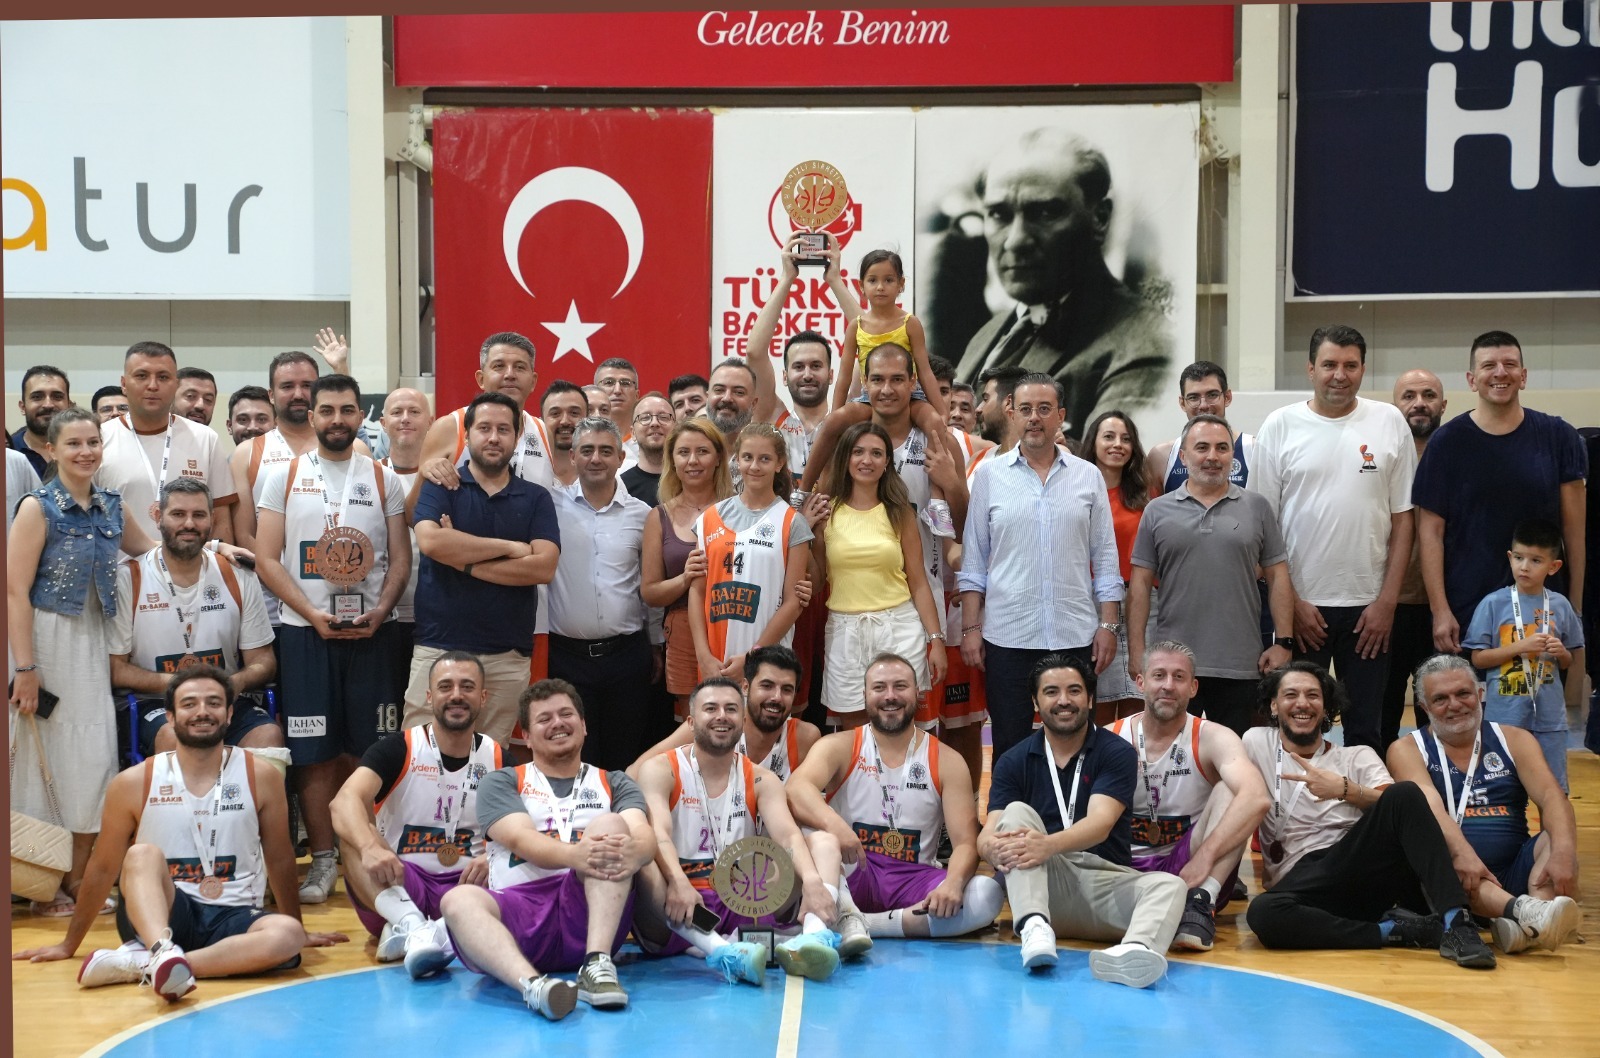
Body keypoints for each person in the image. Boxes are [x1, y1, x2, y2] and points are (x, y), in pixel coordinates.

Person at [12, 666, 344, 998]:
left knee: (287, 935)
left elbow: (280, 856)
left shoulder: (261, 775)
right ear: (170, 716)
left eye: (213, 703)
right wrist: (69, 944)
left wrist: (300, 928)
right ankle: (161, 949)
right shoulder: (133, 782)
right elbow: (102, 868)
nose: (202, 711)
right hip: (162, 913)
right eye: (189, 704)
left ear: (229, 714)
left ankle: (149, 964)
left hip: (234, 915)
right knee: (141, 854)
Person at [254, 374, 411, 905]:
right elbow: (267, 559)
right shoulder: (283, 476)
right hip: (306, 634)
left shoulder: (384, 478)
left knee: (369, 747)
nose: (337, 419)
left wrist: (382, 610)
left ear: (360, 416)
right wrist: (309, 613)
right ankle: (323, 859)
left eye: (347, 410)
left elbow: (400, 558)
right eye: (328, 410)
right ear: (312, 414)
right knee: (314, 751)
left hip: (375, 633)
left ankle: (360, 852)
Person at [1242, 662, 1496, 968]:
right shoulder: (1256, 742)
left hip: (1351, 864)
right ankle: (1396, 931)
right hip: (1300, 885)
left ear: (1326, 707)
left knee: (1405, 792)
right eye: (1291, 694)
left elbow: (1402, 807)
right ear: (1274, 705)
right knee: (1263, 914)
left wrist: (1345, 789)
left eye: (1313, 695)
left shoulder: (1356, 755)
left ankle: (1458, 924)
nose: (1302, 703)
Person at [8, 406, 158, 914]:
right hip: (47, 643)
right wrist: (25, 669)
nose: (86, 451)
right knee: (43, 762)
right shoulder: (36, 508)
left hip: (95, 642)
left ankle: (76, 880)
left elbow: (152, 552)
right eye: (73, 443)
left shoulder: (112, 506)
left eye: (93, 442)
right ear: (51, 449)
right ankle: (39, 884)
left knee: (92, 760)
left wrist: (217, 548)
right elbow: (14, 591)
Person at [442, 679, 654, 1019]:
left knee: (612, 826)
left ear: (583, 725)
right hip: (520, 911)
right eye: (544, 719)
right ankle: (534, 987)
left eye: (566, 714)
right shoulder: (502, 781)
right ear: (526, 736)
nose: (557, 723)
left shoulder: (615, 781)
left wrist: (637, 852)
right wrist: (577, 855)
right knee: (457, 900)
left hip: (587, 910)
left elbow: (644, 836)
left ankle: (596, 965)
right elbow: (520, 839)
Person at [1250, 325, 1416, 752]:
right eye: (1329, 365)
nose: (1339, 375)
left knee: (1367, 730)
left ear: (1363, 369)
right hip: (1302, 610)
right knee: (1298, 729)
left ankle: (1363, 799)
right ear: (1310, 369)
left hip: (1369, 611)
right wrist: (1292, 603)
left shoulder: (1389, 421)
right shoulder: (1280, 425)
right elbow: (1262, 527)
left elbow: (1404, 521)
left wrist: (1387, 603)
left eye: (1350, 365)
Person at [979, 653, 1186, 987]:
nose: (1064, 700)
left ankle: (1134, 952)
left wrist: (1046, 845)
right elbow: (989, 831)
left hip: (1104, 883)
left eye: (1074, 691)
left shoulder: (1115, 751)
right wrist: (990, 848)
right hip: (1043, 883)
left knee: (1170, 886)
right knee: (1016, 812)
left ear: (1089, 699)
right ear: (1035, 702)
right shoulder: (1014, 760)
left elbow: (1100, 824)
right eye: (1051, 692)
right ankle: (1034, 926)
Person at [953, 128, 1172, 434]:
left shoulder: (1142, 348)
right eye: (999, 214)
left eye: (1045, 212)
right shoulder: (989, 334)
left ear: (1100, 218)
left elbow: (1111, 457)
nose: (1015, 241)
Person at [787, 654, 1002, 955]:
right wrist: (835, 825)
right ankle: (855, 915)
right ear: (865, 695)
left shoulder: (948, 760)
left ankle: (861, 924)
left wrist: (953, 883)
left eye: (900, 686)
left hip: (914, 878)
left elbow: (966, 842)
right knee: (812, 837)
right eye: (879, 687)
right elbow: (796, 789)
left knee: (987, 894)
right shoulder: (840, 745)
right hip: (852, 870)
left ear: (918, 693)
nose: (890, 696)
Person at [958, 374, 1122, 762]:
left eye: (1044, 409)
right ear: (1012, 413)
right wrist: (970, 629)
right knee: (1010, 746)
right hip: (1007, 637)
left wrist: (1108, 625)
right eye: (1026, 409)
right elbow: (974, 561)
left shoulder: (1088, 475)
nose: (1035, 417)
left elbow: (1105, 558)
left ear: (1060, 416)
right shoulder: (989, 477)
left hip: (1074, 634)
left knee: (1076, 744)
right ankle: (1011, 805)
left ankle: (1075, 805)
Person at [632, 677, 837, 985]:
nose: (722, 716)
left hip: (741, 900)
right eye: (710, 708)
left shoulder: (762, 779)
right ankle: (723, 952)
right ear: (691, 721)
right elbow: (658, 832)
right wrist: (677, 881)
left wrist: (811, 881)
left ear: (742, 721)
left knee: (823, 843)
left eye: (730, 709)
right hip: (678, 904)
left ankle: (813, 939)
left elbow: (788, 836)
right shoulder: (661, 769)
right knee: (642, 854)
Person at [1385, 654, 1581, 954]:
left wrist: (1565, 853)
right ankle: (1529, 916)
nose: (1454, 705)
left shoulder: (1514, 739)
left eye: (1463, 693)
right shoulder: (1407, 749)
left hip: (1515, 871)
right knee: (1443, 850)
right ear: (1424, 707)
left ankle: (1530, 920)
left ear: (1479, 694)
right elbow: (1431, 809)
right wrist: (1462, 853)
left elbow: (1552, 797)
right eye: (1440, 699)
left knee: (1557, 838)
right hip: (1451, 877)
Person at [331, 651, 503, 978]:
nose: (456, 695)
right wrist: (369, 847)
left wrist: (496, 856)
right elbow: (343, 801)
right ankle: (412, 923)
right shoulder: (398, 748)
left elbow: (532, 825)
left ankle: (415, 932)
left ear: (483, 697)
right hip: (399, 884)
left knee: (513, 857)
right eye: (445, 687)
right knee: (352, 835)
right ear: (429, 696)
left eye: (467, 687)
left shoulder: (498, 758)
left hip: (469, 887)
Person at [1413, 330, 1587, 655]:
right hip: (1467, 610)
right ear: (1471, 380)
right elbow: (1430, 533)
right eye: (1488, 365)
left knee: (1540, 691)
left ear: (1523, 376)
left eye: (1509, 364)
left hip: (1543, 613)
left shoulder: (1558, 437)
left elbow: (1575, 533)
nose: (1500, 372)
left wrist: (1574, 608)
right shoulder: (1446, 443)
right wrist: (1440, 610)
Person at [407, 391, 560, 746]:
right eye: (484, 428)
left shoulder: (536, 497)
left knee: (489, 761)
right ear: (468, 434)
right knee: (420, 755)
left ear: (517, 437)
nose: (493, 437)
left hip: (507, 654)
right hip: (438, 647)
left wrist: (461, 557)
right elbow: (431, 542)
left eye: (503, 430)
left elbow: (542, 567)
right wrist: (510, 548)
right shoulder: (442, 485)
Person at [1128, 415, 1294, 734]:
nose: (1212, 456)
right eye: (1202, 447)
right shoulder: (1156, 511)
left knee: (1232, 755)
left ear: (1232, 455)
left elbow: (1278, 576)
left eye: (1222, 448)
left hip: (1240, 664)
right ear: (1183, 456)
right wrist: (1137, 651)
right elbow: (1140, 585)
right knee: (1172, 753)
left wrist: (1283, 642)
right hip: (1173, 665)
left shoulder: (1257, 508)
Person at [1106, 642, 1271, 952]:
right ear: (1140, 682)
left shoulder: (1213, 736)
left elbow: (1257, 798)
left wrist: (1206, 855)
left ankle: (1201, 903)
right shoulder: (1110, 737)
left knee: (1233, 791)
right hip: (1123, 872)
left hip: (1192, 870)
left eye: (1179, 677)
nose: (1168, 685)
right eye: (1159, 675)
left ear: (1193, 688)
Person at [110, 478, 280, 757]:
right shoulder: (128, 578)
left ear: (212, 518)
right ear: (158, 517)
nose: (189, 523)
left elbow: (263, 661)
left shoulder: (238, 574)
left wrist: (235, 683)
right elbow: (116, 670)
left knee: (268, 736)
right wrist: (182, 685)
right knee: (175, 736)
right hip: (157, 702)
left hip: (222, 698)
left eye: (198, 515)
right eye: (178, 514)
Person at [795, 249, 954, 515]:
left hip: (911, 396)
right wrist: (836, 412)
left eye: (888, 280)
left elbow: (925, 371)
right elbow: (844, 374)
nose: (880, 287)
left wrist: (941, 410)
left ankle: (938, 503)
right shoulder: (856, 326)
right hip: (869, 398)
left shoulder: (910, 323)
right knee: (832, 423)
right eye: (873, 280)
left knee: (936, 425)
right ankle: (803, 491)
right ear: (861, 285)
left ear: (901, 284)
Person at [811, 422, 948, 725]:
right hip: (845, 632)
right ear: (846, 458)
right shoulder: (825, 512)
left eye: (876, 453)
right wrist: (805, 533)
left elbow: (918, 583)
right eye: (858, 452)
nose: (866, 460)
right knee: (855, 733)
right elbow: (817, 581)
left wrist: (936, 640)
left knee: (900, 727)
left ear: (887, 462)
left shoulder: (900, 511)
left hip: (899, 627)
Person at [546, 417, 653, 771]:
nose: (596, 458)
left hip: (627, 657)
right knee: (574, 757)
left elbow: (649, 584)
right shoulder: (549, 507)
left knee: (627, 757)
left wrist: (655, 645)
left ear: (621, 458)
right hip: (566, 659)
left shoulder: (643, 514)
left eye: (606, 451)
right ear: (573, 456)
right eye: (587, 450)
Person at [688, 423, 819, 680]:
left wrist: (753, 656)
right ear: (737, 460)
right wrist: (703, 655)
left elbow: (793, 602)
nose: (755, 466)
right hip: (714, 661)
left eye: (765, 459)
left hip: (767, 661)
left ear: (779, 463)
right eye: (747, 457)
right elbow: (697, 591)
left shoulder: (792, 522)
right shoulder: (709, 519)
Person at [1463, 520, 1584, 790]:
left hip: (1549, 719)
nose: (1524, 567)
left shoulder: (1560, 605)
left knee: (1553, 788)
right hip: (1505, 717)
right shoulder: (1493, 604)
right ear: (1510, 557)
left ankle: (1552, 821)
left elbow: (1569, 661)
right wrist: (1520, 647)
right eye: (1518, 558)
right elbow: (1478, 659)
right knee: (1502, 789)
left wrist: (1562, 653)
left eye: (1536, 560)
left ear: (1554, 567)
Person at [98, 341, 238, 544]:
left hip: (191, 563)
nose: (153, 385)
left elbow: (220, 521)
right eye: (141, 376)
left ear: (175, 384)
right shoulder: (98, 440)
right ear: (124, 383)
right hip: (118, 563)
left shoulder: (205, 438)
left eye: (163, 377)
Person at [643, 417, 735, 720]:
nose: (692, 461)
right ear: (672, 460)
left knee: (739, 714)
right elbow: (650, 593)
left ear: (719, 458)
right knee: (692, 722)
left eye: (702, 451)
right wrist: (685, 579)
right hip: (681, 630)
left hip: (734, 619)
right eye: (683, 452)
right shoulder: (659, 516)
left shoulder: (740, 510)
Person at [746, 232, 854, 477]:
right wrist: (786, 278)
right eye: (798, 366)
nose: (807, 374)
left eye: (816, 366)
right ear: (784, 376)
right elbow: (754, 353)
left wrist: (835, 280)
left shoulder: (846, 419)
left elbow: (872, 345)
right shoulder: (771, 415)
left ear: (831, 375)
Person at [631, 645, 821, 781]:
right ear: (745, 687)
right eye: (767, 686)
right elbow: (635, 772)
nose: (776, 697)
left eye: (787, 689)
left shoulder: (805, 738)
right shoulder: (714, 725)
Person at [1382, 368, 1447, 747]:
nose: (1419, 403)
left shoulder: (1457, 455)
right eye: (1408, 396)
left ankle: (1439, 779)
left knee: (1438, 712)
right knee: (1381, 712)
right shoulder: (1381, 454)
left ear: (1443, 404)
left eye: (1428, 395)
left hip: (1444, 610)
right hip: (1386, 607)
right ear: (1395, 405)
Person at [415, 331, 556, 503]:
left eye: (520, 367)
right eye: (499, 366)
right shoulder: (449, 427)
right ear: (481, 379)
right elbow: (412, 512)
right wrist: (422, 475)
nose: (510, 374)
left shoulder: (544, 433)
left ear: (533, 382)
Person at [1082, 409, 1154, 717]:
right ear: (1093, 443)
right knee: (1097, 700)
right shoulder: (1077, 490)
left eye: (1126, 439)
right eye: (1109, 437)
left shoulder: (1147, 494)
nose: (1117, 445)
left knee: (1139, 700)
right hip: (1094, 603)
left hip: (1144, 603)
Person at [378, 386, 433, 669]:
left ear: (431, 421)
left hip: (434, 616)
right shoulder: (368, 475)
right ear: (382, 422)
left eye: (414, 411)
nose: (405, 418)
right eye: (397, 412)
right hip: (382, 614)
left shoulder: (447, 477)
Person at [1144, 361, 1255, 495]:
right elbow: (1151, 507)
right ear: (1182, 403)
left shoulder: (1254, 450)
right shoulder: (1162, 456)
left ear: (1227, 397)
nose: (1203, 405)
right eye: (1193, 397)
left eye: (1212, 395)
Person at [11, 364, 70, 477]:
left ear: (69, 405)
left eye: (57, 396)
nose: (48, 405)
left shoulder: (84, 453)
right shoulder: (8, 451)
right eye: (37, 397)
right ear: (23, 407)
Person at [622, 393, 672, 506]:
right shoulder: (620, 488)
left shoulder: (690, 481)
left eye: (663, 417)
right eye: (645, 418)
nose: (654, 423)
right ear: (633, 432)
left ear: (676, 427)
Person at [541, 379, 590, 488]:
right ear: (541, 421)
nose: (565, 421)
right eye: (555, 413)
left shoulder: (604, 475)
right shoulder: (527, 473)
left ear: (588, 420)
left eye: (574, 413)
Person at [593, 357, 641, 465]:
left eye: (625, 383)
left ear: (637, 395)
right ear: (596, 391)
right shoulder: (579, 441)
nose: (617, 390)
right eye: (609, 382)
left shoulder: (649, 443)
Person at [705, 358, 759, 444]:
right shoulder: (690, 447)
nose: (727, 398)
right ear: (707, 397)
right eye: (719, 390)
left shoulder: (766, 449)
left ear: (753, 404)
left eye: (739, 392)